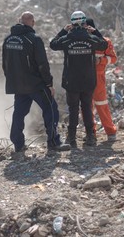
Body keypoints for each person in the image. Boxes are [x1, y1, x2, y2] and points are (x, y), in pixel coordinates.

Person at [2, 11, 70, 155]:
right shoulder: (34, 39)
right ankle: (53, 142)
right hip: (36, 84)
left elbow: (5, 64)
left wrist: (12, 80)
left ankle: (18, 145)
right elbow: (42, 64)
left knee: (19, 114)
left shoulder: (8, 39)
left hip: (18, 85)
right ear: (32, 22)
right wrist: (49, 83)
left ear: (19, 20)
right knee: (51, 109)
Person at [49, 11, 108, 148]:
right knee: (87, 108)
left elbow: (53, 44)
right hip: (88, 80)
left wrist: (63, 31)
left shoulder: (66, 39)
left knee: (73, 109)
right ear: (84, 23)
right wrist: (95, 32)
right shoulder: (91, 39)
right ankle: (90, 137)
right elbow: (104, 45)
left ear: (72, 23)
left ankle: (71, 138)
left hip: (71, 81)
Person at [85, 18, 118, 142]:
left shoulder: (104, 42)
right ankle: (90, 132)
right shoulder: (81, 42)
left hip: (98, 78)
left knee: (101, 105)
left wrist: (101, 61)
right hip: (84, 78)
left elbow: (113, 58)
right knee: (86, 107)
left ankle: (110, 131)